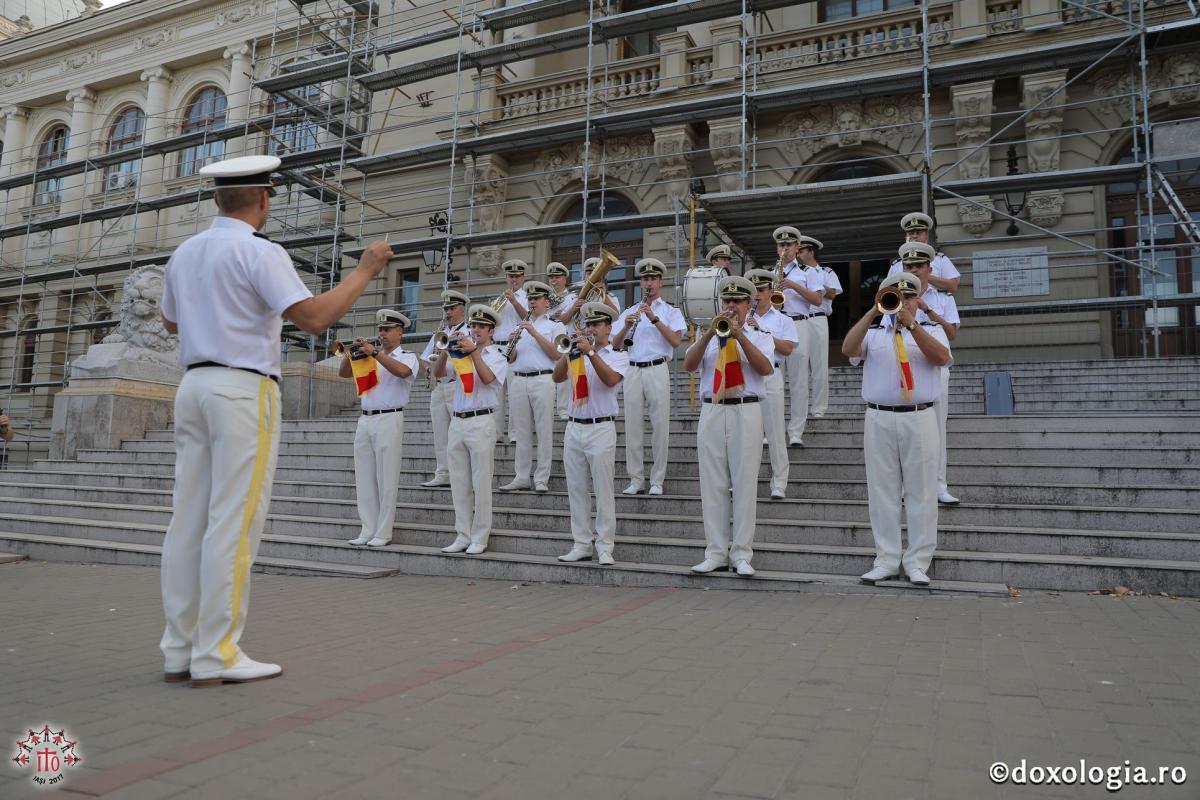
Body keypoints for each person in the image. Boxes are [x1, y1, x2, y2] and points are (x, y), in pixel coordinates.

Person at [159, 154, 393, 687]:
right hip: (242, 387)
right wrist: (365, 270)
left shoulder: (186, 251)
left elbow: (172, 321)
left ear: (217, 198)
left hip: (193, 384)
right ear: (264, 199)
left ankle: (179, 647)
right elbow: (312, 318)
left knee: (188, 518)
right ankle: (216, 653)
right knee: (234, 520)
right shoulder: (259, 251)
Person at [841, 267, 951, 587]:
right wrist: (873, 312)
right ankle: (887, 558)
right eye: (896, 297)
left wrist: (912, 324)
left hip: (919, 417)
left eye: (909, 297)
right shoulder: (873, 334)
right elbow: (848, 349)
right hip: (879, 417)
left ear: (919, 300)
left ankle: (917, 561)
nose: (903, 302)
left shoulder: (931, 329)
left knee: (921, 491)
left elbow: (942, 357)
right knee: (882, 492)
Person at [684, 276, 775, 576]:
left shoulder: (760, 332)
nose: (731, 307)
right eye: (727, 301)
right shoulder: (707, 332)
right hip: (712, 410)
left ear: (749, 306)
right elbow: (689, 365)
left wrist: (740, 337)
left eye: (737, 302)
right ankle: (715, 552)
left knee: (745, 483)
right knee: (712, 484)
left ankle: (741, 554)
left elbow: (765, 368)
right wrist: (710, 334)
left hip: (745, 411)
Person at [553, 302, 629, 565]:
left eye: (596, 324)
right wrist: (569, 352)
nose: (591, 329)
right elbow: (557, 377)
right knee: (576, 489)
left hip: (601, 427)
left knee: (603, 490)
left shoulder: (618, 354)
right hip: (574, 426)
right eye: (588, 325)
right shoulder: (577, 354)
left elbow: (610, 380)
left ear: (609, 327)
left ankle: (605, 546)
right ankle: (582, 543)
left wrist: (592, 354)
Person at [434, 303, 508, 555]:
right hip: (458, 421)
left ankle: (480, 536)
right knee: (459, 482)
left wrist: (474, 351)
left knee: (481, 482)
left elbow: (488, 379)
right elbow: (438, 374)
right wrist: (446, 348)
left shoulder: (497, 356)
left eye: (481, 327)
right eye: (473, 325)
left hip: (481, 420)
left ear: (491, 331)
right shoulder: (460, 354)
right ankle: (462, 534)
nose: (475, 330)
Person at [344, 309, 419, 547]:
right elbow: (343, 372)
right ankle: (368, 529)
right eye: (380, 330)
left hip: (389, 418)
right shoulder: (369, 356)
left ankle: (384, 532)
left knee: (386, 477)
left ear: (400, 332)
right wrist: (351, 352)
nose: (382, 333)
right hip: (365, 419)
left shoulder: (408, 356)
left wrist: (375, 352)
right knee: (364, 477)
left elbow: (403, 372)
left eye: (387, 330)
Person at [614, 258, 685, 496]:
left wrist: (654, 318)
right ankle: (636, 479)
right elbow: (615, 345)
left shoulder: (671, 311)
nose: (649, 283)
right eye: (645, 279)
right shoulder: (629, 310)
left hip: (657, 368)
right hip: (633, 369)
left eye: (653, 279)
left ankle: (657, 479)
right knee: (632, 426)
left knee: (659, 426)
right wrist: (625, 326)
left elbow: (676, 342)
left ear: (660, 282)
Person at [902, 241, 962, 505]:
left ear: (929, 268)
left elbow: (952, 334)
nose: (913, 270)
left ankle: (939, 485)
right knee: (905, 429)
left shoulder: (943, 298)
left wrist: (926, 309)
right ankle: (907, 487)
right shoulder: (897, 298)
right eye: (909, 266)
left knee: (937, 428)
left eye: (918, 266)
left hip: (935, 365)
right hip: (905, 362)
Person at [500, 280, 566, 493]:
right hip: (518, 379)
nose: (531, 302)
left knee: (544, 430)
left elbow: (557, 354)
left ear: (547, 302)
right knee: (521, 431)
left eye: (536, 299)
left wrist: (534, 333)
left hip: (542, 379)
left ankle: (541, 478)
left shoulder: (555, 325)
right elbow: (511, 359)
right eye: (529, 299)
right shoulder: (520, 325)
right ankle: (521, 476)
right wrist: (511, 345)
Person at [745, 269, 798, 500]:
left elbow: (787, 349)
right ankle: (743, 481)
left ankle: (779, 483)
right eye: (754, 290)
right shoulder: (742, 316)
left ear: (771, 291)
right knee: (746, 433)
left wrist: (761, 330)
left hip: (771, 375)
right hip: (747, 375)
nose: (757, 294)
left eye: (762, 290)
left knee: (775, 432)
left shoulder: (783, 319)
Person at [774, 225, 827, 447]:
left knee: (798, 382)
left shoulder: (808, 272)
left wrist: (794, 286)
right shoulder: (770, 273)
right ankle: (773, 430)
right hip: (776, 326)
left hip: (799, 325)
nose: (784, 249)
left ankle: (795, 431)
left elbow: (817, 300)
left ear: (797, 247)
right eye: (781, 245)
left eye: (788, 245)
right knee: (774, 382)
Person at [418, 290, 470, 487]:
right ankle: (442, 473)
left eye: (452, 308)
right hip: (439, 386)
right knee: (440, 434)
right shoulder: (440, 333)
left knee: (459, 433)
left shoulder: (468, 331)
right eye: (446, 309)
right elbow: (424, 359)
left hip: (458, 385)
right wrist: (430, 368)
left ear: (462, 309)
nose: (448, 312)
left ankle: (460, 474)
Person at [798, 235, 840, 419]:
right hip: (798, 319)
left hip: (818, 317)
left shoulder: (826, 272)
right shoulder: (795, 271)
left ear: (811, 252)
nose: (797, 253)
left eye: (801, 250)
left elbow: (832, 295)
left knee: (819, 364)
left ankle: (819, 408)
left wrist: (815, 283)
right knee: (798, 364)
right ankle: (799, 408)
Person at [493, 259, 529, 444]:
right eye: (510, 276)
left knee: (515, 393)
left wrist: (514, 301)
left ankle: (514, 433)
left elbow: (528, 318)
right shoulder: (499, 298)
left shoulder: (527, 297)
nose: (514, 279)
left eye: (517, 276)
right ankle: (496, 433)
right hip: (496, 348)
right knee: (497, 394)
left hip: (516, 347)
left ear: (523, 277)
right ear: (506, 277)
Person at [887, 212, 961, 295]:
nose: (914, 236)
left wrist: (924, 276)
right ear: (906, 236)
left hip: (934, 305)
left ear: (926, 235)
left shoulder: (940, 259)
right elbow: (889, 291)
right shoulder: (897, 265)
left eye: (918, 232)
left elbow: (953, 287)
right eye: (911, 233)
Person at [546, 262, 575, 419]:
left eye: (557, 277)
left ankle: (563, 408)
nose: (554, 280)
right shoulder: (546, 298)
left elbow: (568, 317)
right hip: (548, 339)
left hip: (564, 337)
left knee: (564, 373)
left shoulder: (571, 297)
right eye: (551, 277)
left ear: (565, 279)